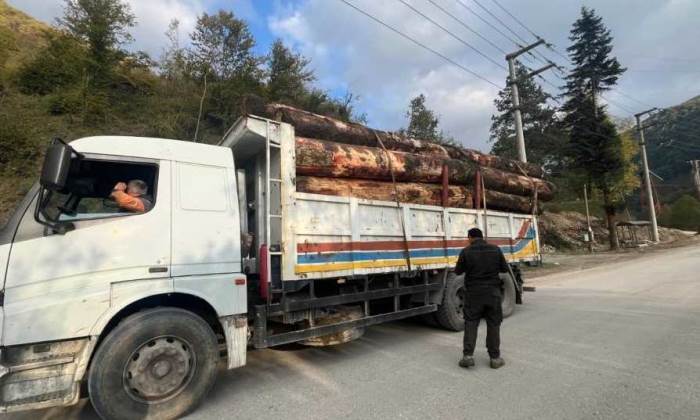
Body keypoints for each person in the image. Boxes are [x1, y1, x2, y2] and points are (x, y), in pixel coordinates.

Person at [454, 227, 509, 369]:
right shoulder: (495, 249)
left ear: (470, 237)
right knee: (493, 325)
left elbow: (458, 271)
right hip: (493, 293)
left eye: (468, 238)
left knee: (471, 323)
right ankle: (495, 359)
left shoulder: (466, 251)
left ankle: (468, 356)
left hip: (474, 294)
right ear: (482, 237)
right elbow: (504, 269)